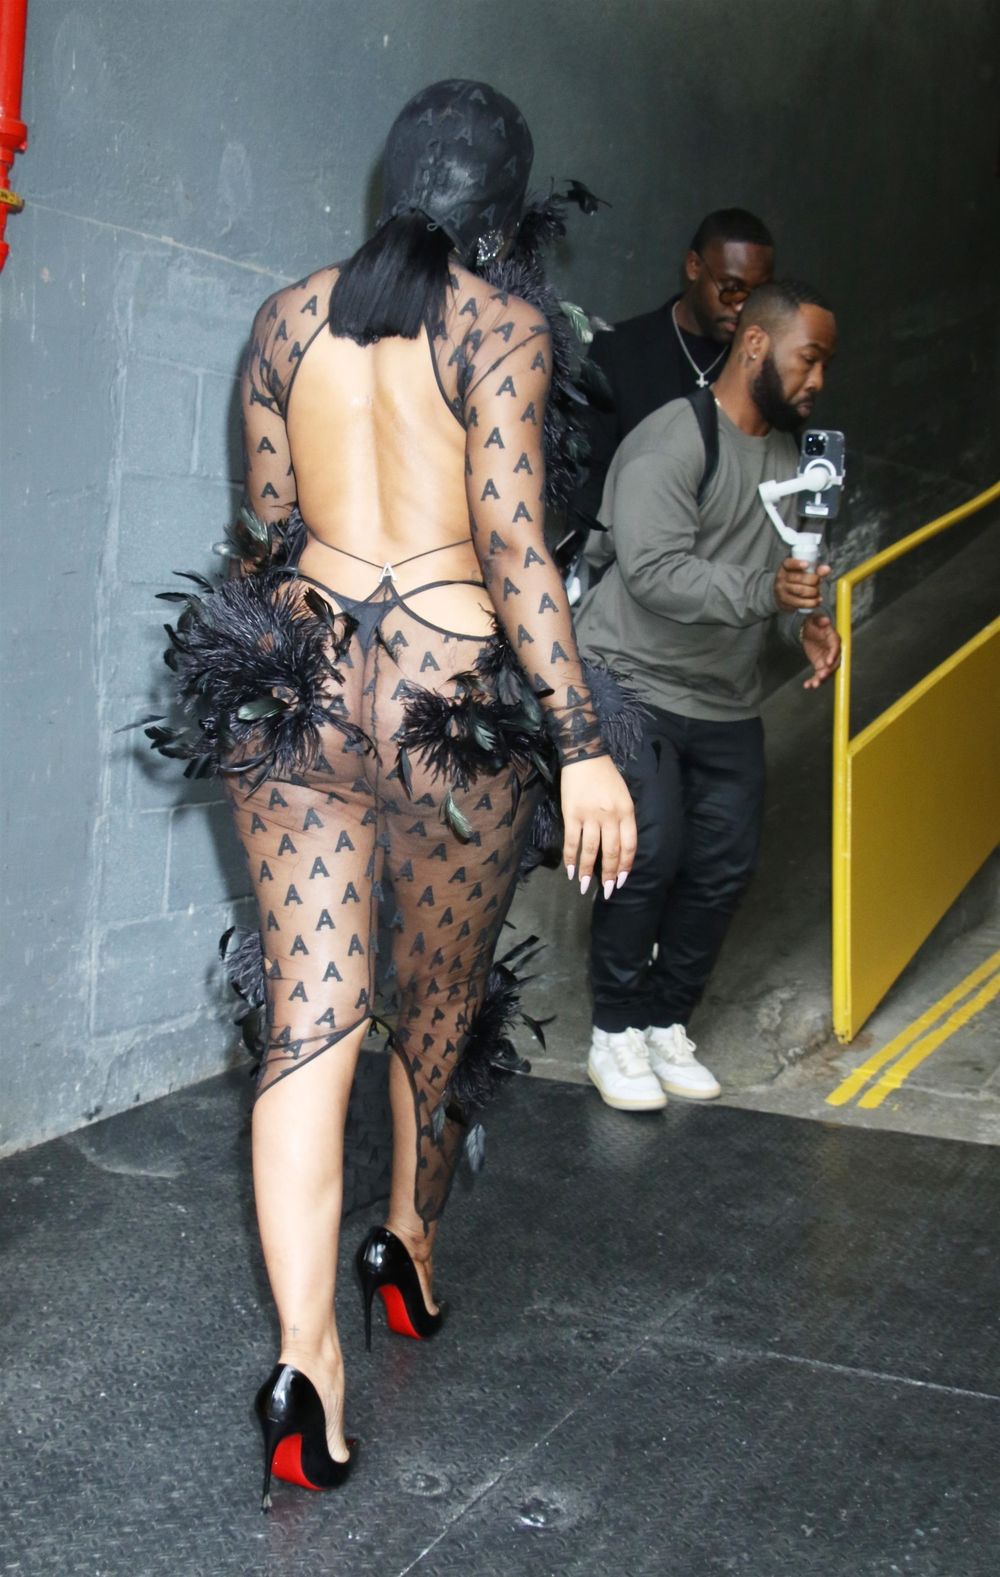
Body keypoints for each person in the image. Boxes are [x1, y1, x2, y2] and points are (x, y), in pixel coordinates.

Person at [145, 80, 636, 1506]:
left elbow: (265, 528)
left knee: (310, 1021)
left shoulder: (287, 319)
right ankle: (405, 1243)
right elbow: (515, 543)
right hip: (448, 700)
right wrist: (582, 738)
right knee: (437, 1001)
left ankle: (307, 1365)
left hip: (299, 687)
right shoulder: (502, 328)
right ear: (505, 213)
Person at [574, 280, 840, 1112]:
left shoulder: (794, 461)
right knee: (648, 850)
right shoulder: (672, 439)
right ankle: (614, 1031)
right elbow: (654, 573)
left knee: (723, 866)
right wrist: (767, 593)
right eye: (808, 359)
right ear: (756, 346)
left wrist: (806, 622)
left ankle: (664, 1021)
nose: (818, 380)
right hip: (631, 679)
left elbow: (787, 572)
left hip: (724, 696)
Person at [575, 208, 775, 525]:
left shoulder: (761, 366)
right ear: (694, 266)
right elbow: (589, 474)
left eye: (757, 295)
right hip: (627, 544)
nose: (742, 307)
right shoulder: (619, 349)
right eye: (730, 288)